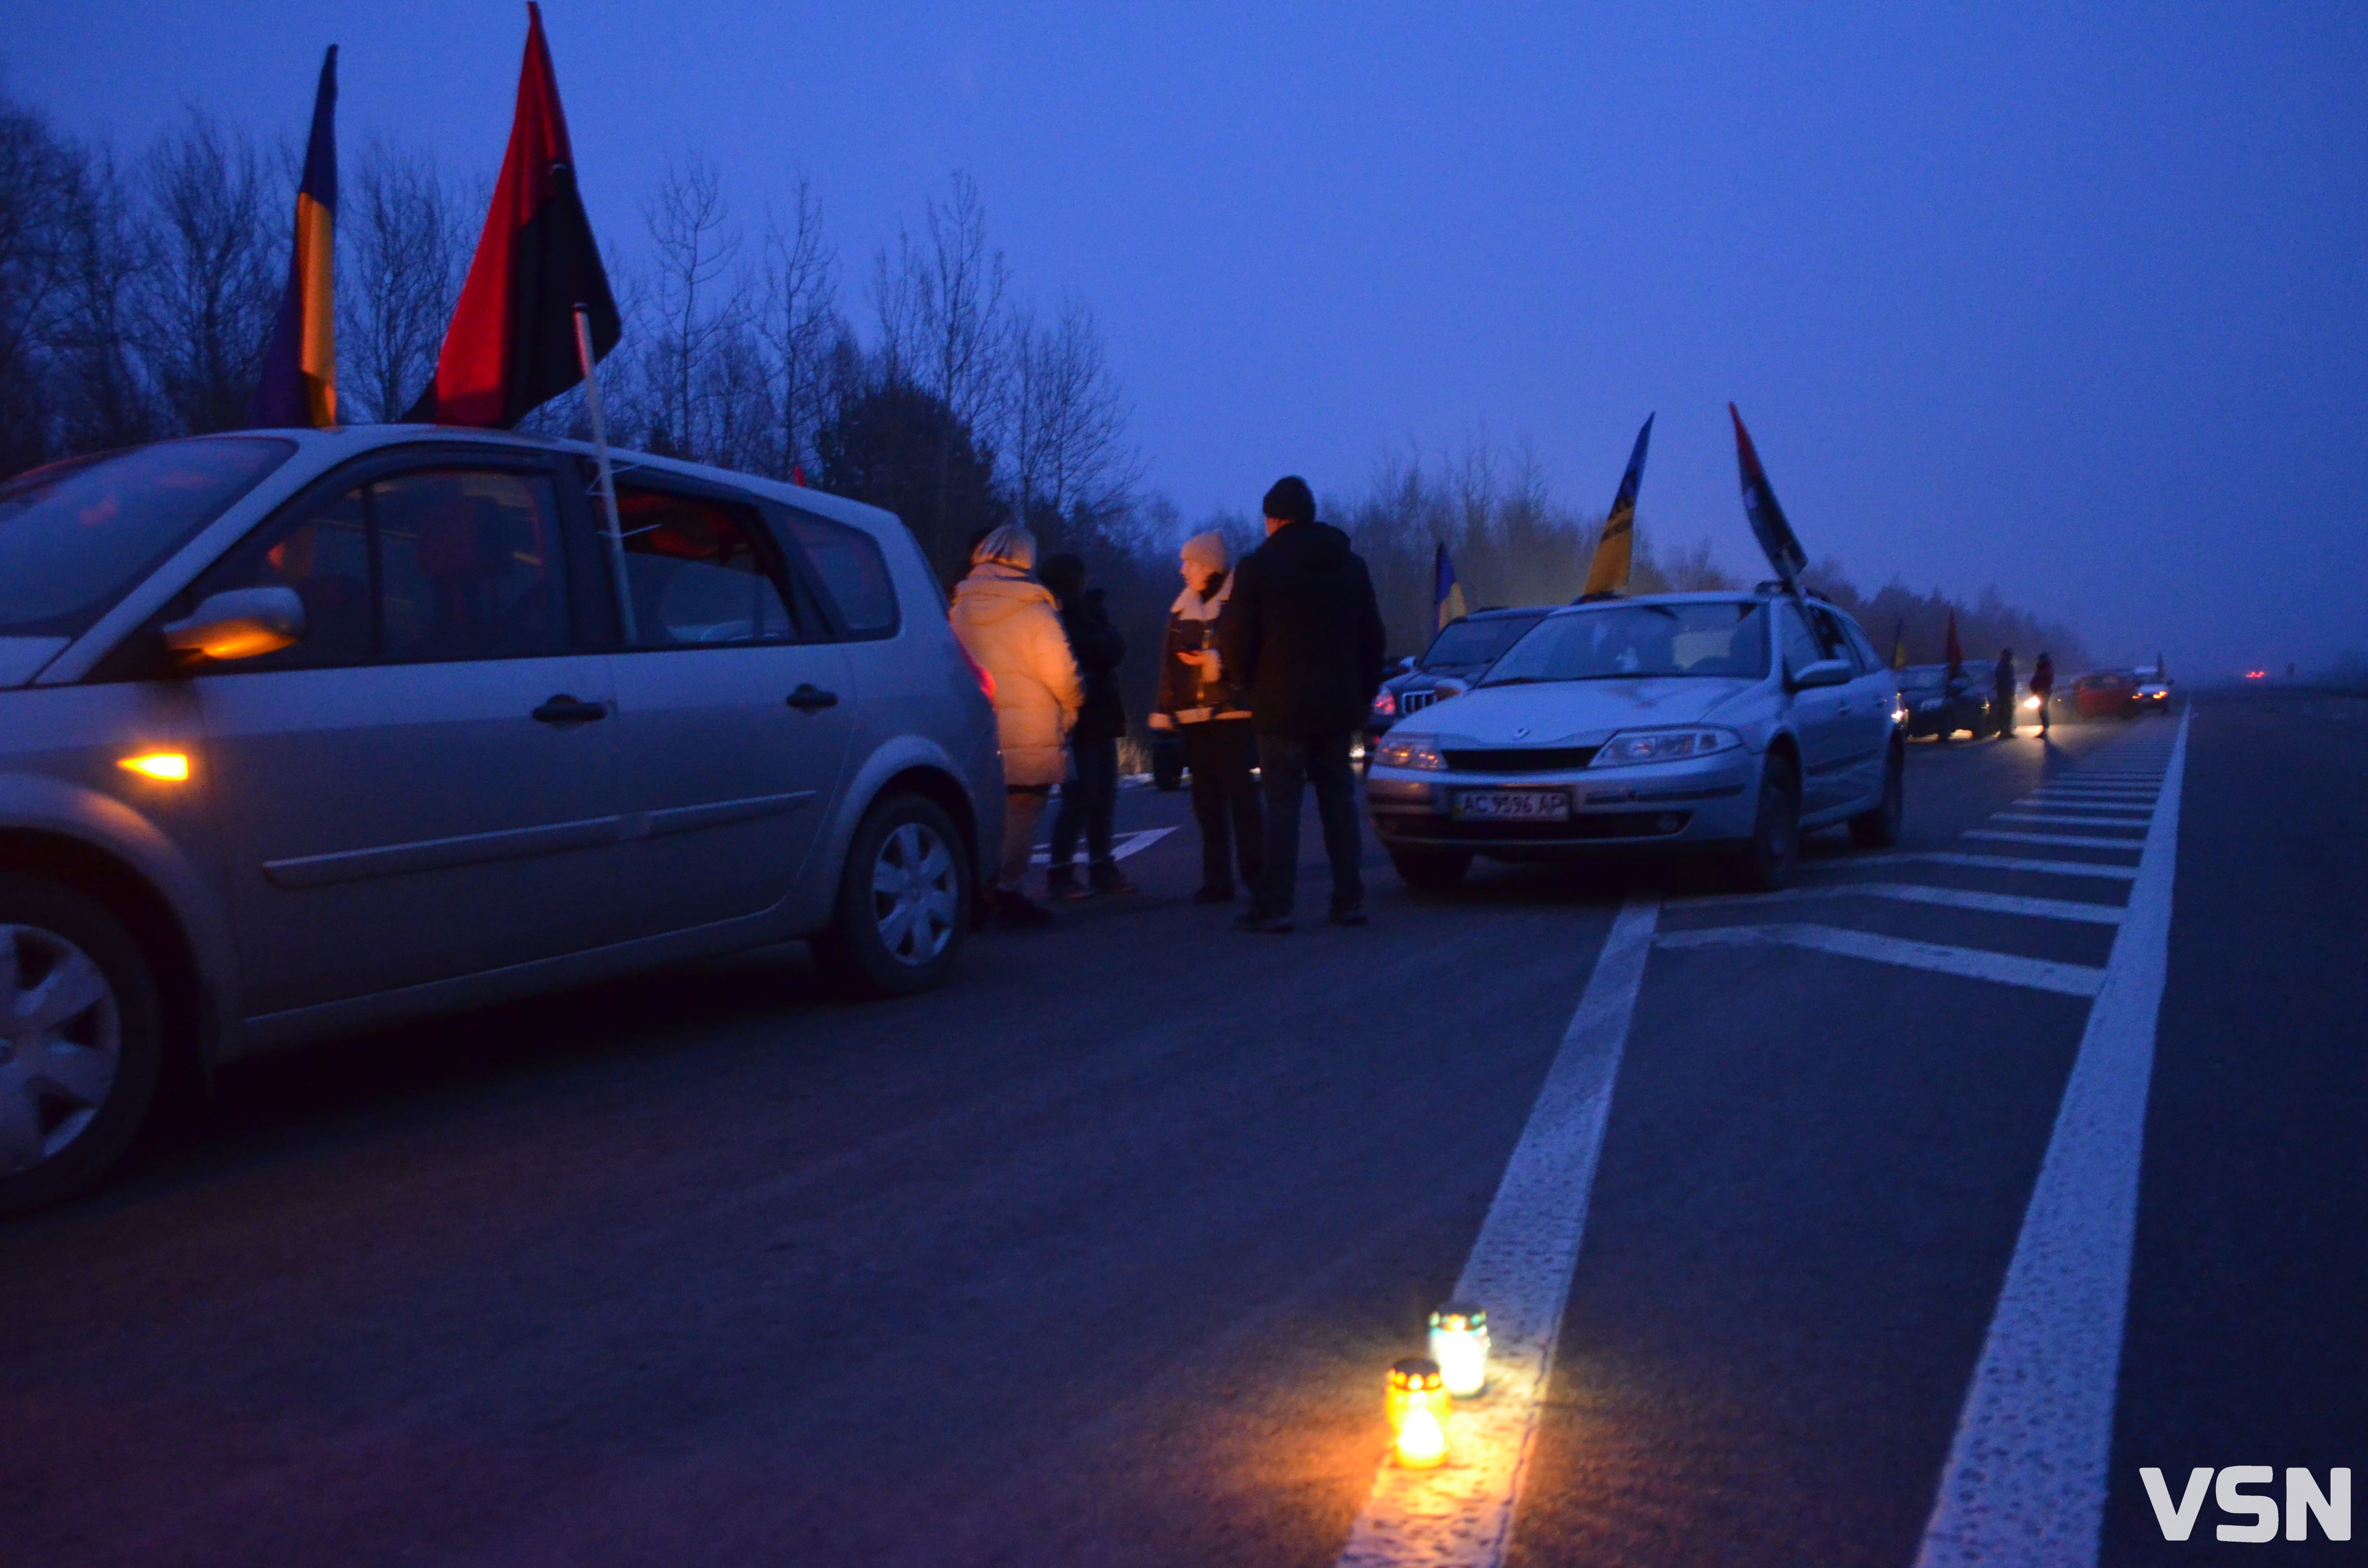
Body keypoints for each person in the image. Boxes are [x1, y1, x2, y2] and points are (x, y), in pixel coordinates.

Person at [1217, 476, 1387, 933]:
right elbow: (1373, 637)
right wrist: (1362, 693)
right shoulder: (1351, 566)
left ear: (1272, 519)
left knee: (1283, 807)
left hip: (1279, 707)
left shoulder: (1257, 567)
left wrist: (1248, 685)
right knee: (1339, 802)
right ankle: (1349, 899)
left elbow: (1233, 637)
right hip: (1337, 705)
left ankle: (1275, 906)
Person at [949, 525, 1081, 926]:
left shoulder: (960, 606)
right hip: (1030, 728)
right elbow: (1062, 672)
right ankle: (1009, 890)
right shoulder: (1034, 608)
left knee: (980, 813)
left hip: (977, 725)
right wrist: (1075, 703)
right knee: (1022, 814)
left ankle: (976, 892)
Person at [1149, 531, 1263, 903]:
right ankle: (1217, 879)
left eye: (1190, 563)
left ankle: (1256, 875)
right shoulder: (1181, 610)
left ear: (1208, 566)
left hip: (1230, 710)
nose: (1183, 570)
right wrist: (1165, 712)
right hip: (1194, 716)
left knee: (1240, 795)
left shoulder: (1237, 604)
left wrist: (1216, 663)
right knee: (1206, 799)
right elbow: (1169, 666)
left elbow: (1251, 652)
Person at [1039, 552, 1134, 900]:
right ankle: (1062, 871)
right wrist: (1100, 635)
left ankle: (1100, 865)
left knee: (1104, 792)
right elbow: (1097, 648)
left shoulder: (1083, 614)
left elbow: (1113, 648)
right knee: (1081, 794)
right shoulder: (1057, 615)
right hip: (1077, 711)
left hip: (1100, 710)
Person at [1992, 647, 2018, 739]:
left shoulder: (2007, 665)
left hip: (2008, 692)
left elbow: (2011, 679)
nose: (2010, 657)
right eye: (2009, 655)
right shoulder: (2003, 666)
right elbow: (2002, 680)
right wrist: (2006, 690)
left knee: (2008, 712)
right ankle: (2004, 732)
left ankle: (2007, 731)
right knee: (2005, 712)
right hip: (2004, 692)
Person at [2031, 650, 2055, 737]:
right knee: (2042, 710)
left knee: (2043, 710)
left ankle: (2045, 730)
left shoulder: (2046, 668)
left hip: (2043, 691)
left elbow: (2047, 680)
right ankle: (2044, 729)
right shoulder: (2043, 668)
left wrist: (2037, 686)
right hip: (2040, 691)